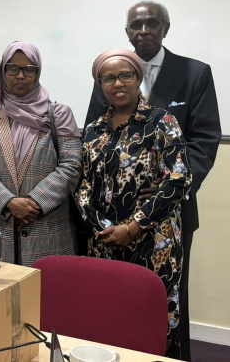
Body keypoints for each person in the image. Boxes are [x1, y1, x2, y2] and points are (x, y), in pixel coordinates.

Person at [85, 1, 220, 361]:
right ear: (126, 31)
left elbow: (204, 140)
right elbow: (92, 142)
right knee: (112, 302)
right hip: (110, 222)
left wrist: (168, 187)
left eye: (152, 23)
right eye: (135, 24)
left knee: (165, 303)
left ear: (165, 28)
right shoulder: (112, 68)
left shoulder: (194, 73)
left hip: (164, 217)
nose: (143, 30)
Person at [80, 49, 190, 359]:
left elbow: (177, 180)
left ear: (137, 78)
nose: (118, 83)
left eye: (125, 75)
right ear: (100, 84)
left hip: (154, 242)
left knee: (151, 319)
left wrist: (133, 226)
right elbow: (83, 186)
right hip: (104, 242)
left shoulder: (162, 122)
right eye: (108, 78)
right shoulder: (92, 130)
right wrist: (104, 229)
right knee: (107, 315)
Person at [0, 42, 80, 266]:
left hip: (48, 232)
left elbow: (71, 165)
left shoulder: (59, 115)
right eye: (13, 68)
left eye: (29, 69)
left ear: (38, 72)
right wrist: (9, 202)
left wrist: (33, 203)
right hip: (0, 231)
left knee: (49, 297)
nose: (21, 76)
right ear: (3, 71)